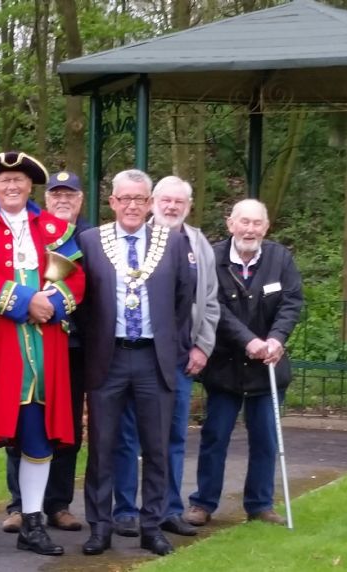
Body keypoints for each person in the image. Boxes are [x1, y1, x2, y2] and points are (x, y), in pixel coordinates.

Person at [0, 151, 85, 560]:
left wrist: (55, 304)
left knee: (38, 439)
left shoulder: (56, 228)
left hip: (44, 350)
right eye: (5, 181)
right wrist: (28, 301)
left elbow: (77, 278)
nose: (12, 187)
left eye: (20, 181)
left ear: (31, 186)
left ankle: (32, 524)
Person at [76, 169, 194, 557]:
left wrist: (172, 348)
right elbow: (81, 301)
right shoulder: (91, 241)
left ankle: (152, 526)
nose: (131, 206)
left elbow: (182, 298)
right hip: (107, 358)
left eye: (139, 199)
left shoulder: (171, 242)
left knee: (157, 448)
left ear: (149, 204)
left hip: (152, 358)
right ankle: (100, 527)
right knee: (102, 448)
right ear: (111, 202)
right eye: (124, 198)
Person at [110, 175, 220, 538]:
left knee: (173, 436)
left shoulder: (198, 243)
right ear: (152, 201)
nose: (172, 207)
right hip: (135, 351)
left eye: (180, 202)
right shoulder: (132, 237)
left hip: (178, 357)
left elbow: (209, 300)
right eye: (166, 200)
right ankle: (125, 510)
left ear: (189, 206)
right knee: (127, 436)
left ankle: (168, 509)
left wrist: (202, 346)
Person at [184, 198, 303, 527]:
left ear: (266, 227)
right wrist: (247, 340)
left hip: (269, 367)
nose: (250, 229)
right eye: (244, 222)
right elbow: (213, 306)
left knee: (266, 439)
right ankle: (203, 503)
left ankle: (260, 505)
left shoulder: (281, 258)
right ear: (230, 223)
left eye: (257, 223)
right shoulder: (213, 256)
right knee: (214, 437)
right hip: (225, 367)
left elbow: (292, 303)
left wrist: (276, 338)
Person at [4, 170, 91, 533]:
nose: (62, 200)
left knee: (66, 426)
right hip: (29, 343)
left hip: (74, 346)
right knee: (21, 420)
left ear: (81, 199)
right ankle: (19, 505)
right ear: (46, 197)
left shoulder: (92, 239)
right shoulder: (29, 230)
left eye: (70, 194)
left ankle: (58, 504)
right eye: (56, 194)